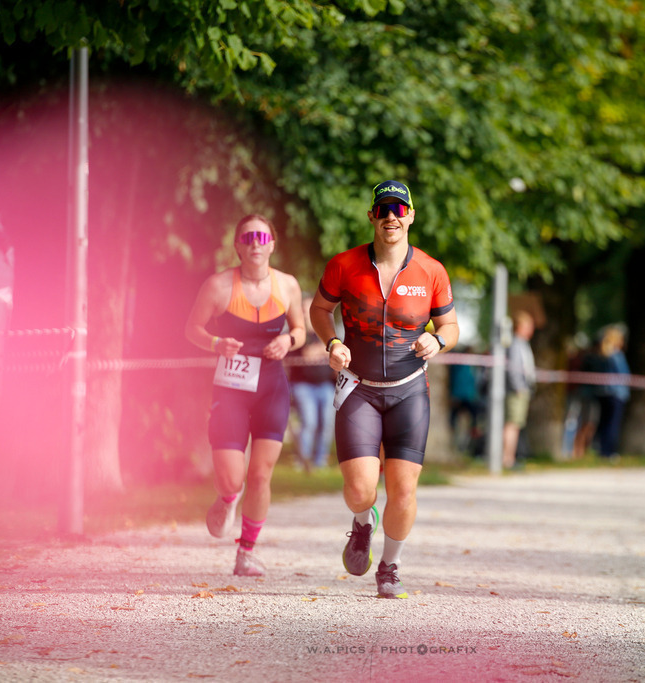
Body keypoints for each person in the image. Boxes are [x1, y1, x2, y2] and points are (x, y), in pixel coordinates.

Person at [309, 179, 458, 600]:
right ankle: (361, 523)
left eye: (399, 209)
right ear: (372, 216)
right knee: (360, 490)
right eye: (383, 209)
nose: (391, 217)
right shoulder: (344, 265)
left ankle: (390, 567)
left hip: (410, 390)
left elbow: (451, 325)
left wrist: (439, 340)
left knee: (404, 489)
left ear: (410, 215)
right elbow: (320, 309)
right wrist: (333, 341)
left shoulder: (431, 270)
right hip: (359, 389)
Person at [184, 214, 305, 577]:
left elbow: (299, 330)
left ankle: (247, 552)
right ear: (238, 244)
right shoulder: (219, 286)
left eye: (262, 237)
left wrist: (288, 340)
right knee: (232, 478)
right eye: (247, 237)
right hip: (232, 389)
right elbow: (191, 329)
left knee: (261, 475)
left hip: (271, 387)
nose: (255, 243)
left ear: (272, 244)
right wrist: (216, 343)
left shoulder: (287, 285)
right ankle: (227, 499)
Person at [289, 295, 336, 470]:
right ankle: (303, 460)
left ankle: (320, 461)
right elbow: (306, 354)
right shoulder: (297, 332)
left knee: (326, 423)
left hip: (325, 385)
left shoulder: (325, 331)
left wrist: (320, 350)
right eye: (304, 310)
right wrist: (322, 350)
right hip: (303, 385)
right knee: (309, 422)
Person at [503, 311, 537, 469]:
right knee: (512, 425)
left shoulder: (522, 343)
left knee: (515, 425)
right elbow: (515, 368)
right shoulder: (516, 344)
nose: (531, 329)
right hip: (517, 390)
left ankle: (509, 457)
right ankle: (507, 459)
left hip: (520, 389)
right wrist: (519, 387)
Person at [594, 326, 630, 459]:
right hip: (616, 393)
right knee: (613, 424)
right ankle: (610, 451)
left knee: (604, 423)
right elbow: (624, 374)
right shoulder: (617, 355)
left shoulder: (602, 354)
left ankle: (603, 450)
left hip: (604, 393)